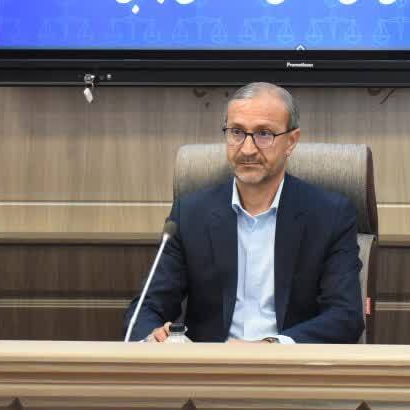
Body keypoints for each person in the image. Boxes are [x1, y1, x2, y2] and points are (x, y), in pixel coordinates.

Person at [125, 82, 364, 344]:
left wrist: (272, 346)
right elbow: (146, 308)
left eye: (264, 134)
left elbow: (346, 317)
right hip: (210, 365)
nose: (247, 149)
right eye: (237, 132)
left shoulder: (330, 215)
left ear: (291, 141)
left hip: (290, 363)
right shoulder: (190, 214)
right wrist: (152, 336)